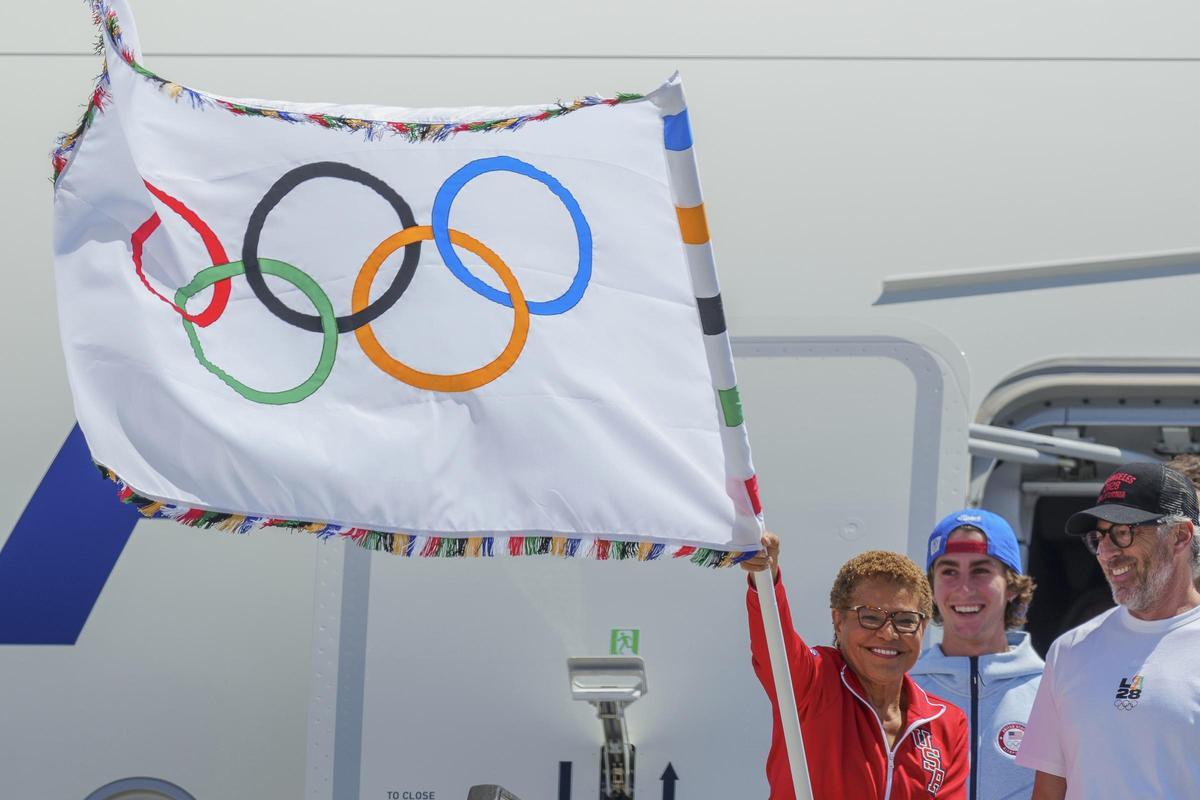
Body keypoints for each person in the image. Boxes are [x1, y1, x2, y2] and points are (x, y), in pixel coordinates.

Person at [1015, 461, 1200, 799]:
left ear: (1180, 536)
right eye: (1098, 537)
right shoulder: (1070, 650)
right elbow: (1049, 791)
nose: (1107, 552)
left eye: (1124, 532)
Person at [743, 534, 969, 799]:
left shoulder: (948, 723)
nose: (888, 633)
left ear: (924, 627)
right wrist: (765, 581)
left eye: (906, 620)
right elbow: (773, 641)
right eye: (870, 616)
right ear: (838, 621)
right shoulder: (813, 682)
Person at [910, 510, 1043, 800]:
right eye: (948, 571)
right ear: (931, 588)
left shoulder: (1051, 689)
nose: (964, 588)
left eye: (981, 570)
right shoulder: (901, 689)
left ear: (1011, 585)